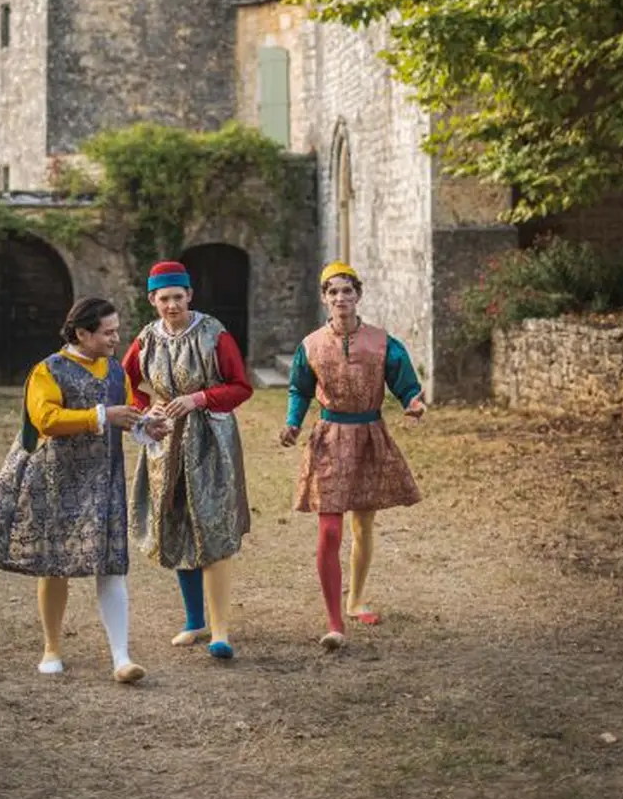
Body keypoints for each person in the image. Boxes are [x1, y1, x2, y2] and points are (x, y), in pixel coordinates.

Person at [0, 296, 159, 683]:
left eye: (117, 331)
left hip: (104, 479)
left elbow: (124, 416)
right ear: (82, 334)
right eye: (108, 332)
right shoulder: (48, 370)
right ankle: (52, 648)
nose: (116, 339)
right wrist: (102, 415)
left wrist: (146, 427)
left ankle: (122, 659)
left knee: (111, 563)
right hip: (56, 480)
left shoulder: (114, 372)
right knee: (55, 565)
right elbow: (46, 419)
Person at [279, 261, 425, 650]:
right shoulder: (311, 345)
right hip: (329, 438)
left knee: (363, 524)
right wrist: (292, 424)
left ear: (358, 295)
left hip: (369, 437)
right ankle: (334, 623)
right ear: (324, 298)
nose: (341, 298)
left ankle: (356, 599)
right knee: (330, 530)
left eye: (347, 291)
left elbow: (404, 382)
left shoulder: (382, 342)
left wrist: (413, 402)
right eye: (333, 292)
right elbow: (299, 390)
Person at [122, 260, 253, 661]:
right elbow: (126, 381)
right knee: (177, 522)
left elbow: (240, 386)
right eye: (164, 299)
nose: (172, 305)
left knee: (212, 526)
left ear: (190, 295)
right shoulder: (147, 339)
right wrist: (147, 408)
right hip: (166, 442)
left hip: (211, 439)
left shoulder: (213, 334)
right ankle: (194, 620)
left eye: (178, 297)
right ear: (152, 300)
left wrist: (199, 398)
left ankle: (220, 630)